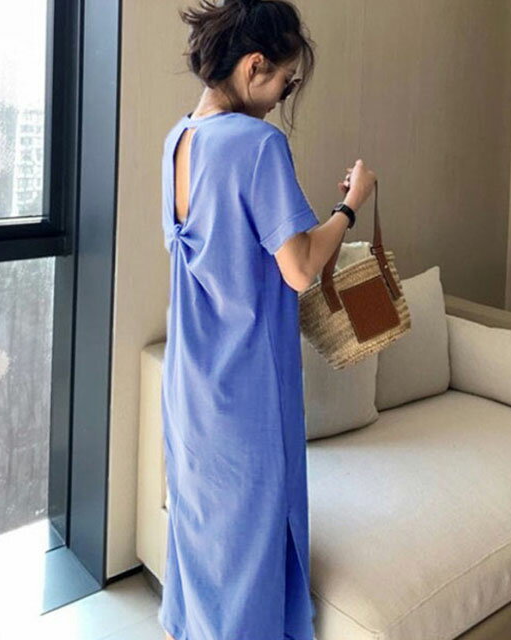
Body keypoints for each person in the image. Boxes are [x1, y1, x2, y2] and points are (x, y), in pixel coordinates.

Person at [158, 1, 377, 639]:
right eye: (286, 79)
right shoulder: (257, 145)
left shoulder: (179, 140)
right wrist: (350, 205)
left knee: (204, 535)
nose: (285, 95)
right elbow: (300, 267)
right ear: (255, 66)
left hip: (191, 380)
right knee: (251, 547)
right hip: (246, 387)